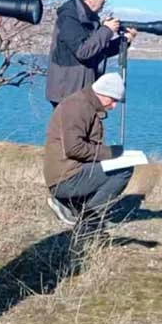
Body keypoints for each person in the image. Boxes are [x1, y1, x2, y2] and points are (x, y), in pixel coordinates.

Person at [43, 73, 133, 252]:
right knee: (124, 170)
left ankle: (72, 206)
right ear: (103, 94)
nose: (113, 106)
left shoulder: (84, 103)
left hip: (68, 171)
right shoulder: (78, 107)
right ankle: (88, 224)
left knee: (115, 167)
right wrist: (111, 153)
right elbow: (74, 148)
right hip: (65, 177)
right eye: (113, 100)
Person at [45, 0, 137, 108]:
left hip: (82, 89)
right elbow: (83, 51)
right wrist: (106, 30)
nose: (105, 0)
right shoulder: (69, 17)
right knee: (71, 128)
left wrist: (125, 40)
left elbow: (99, 50)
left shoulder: (90, 18)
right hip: (68, 92)